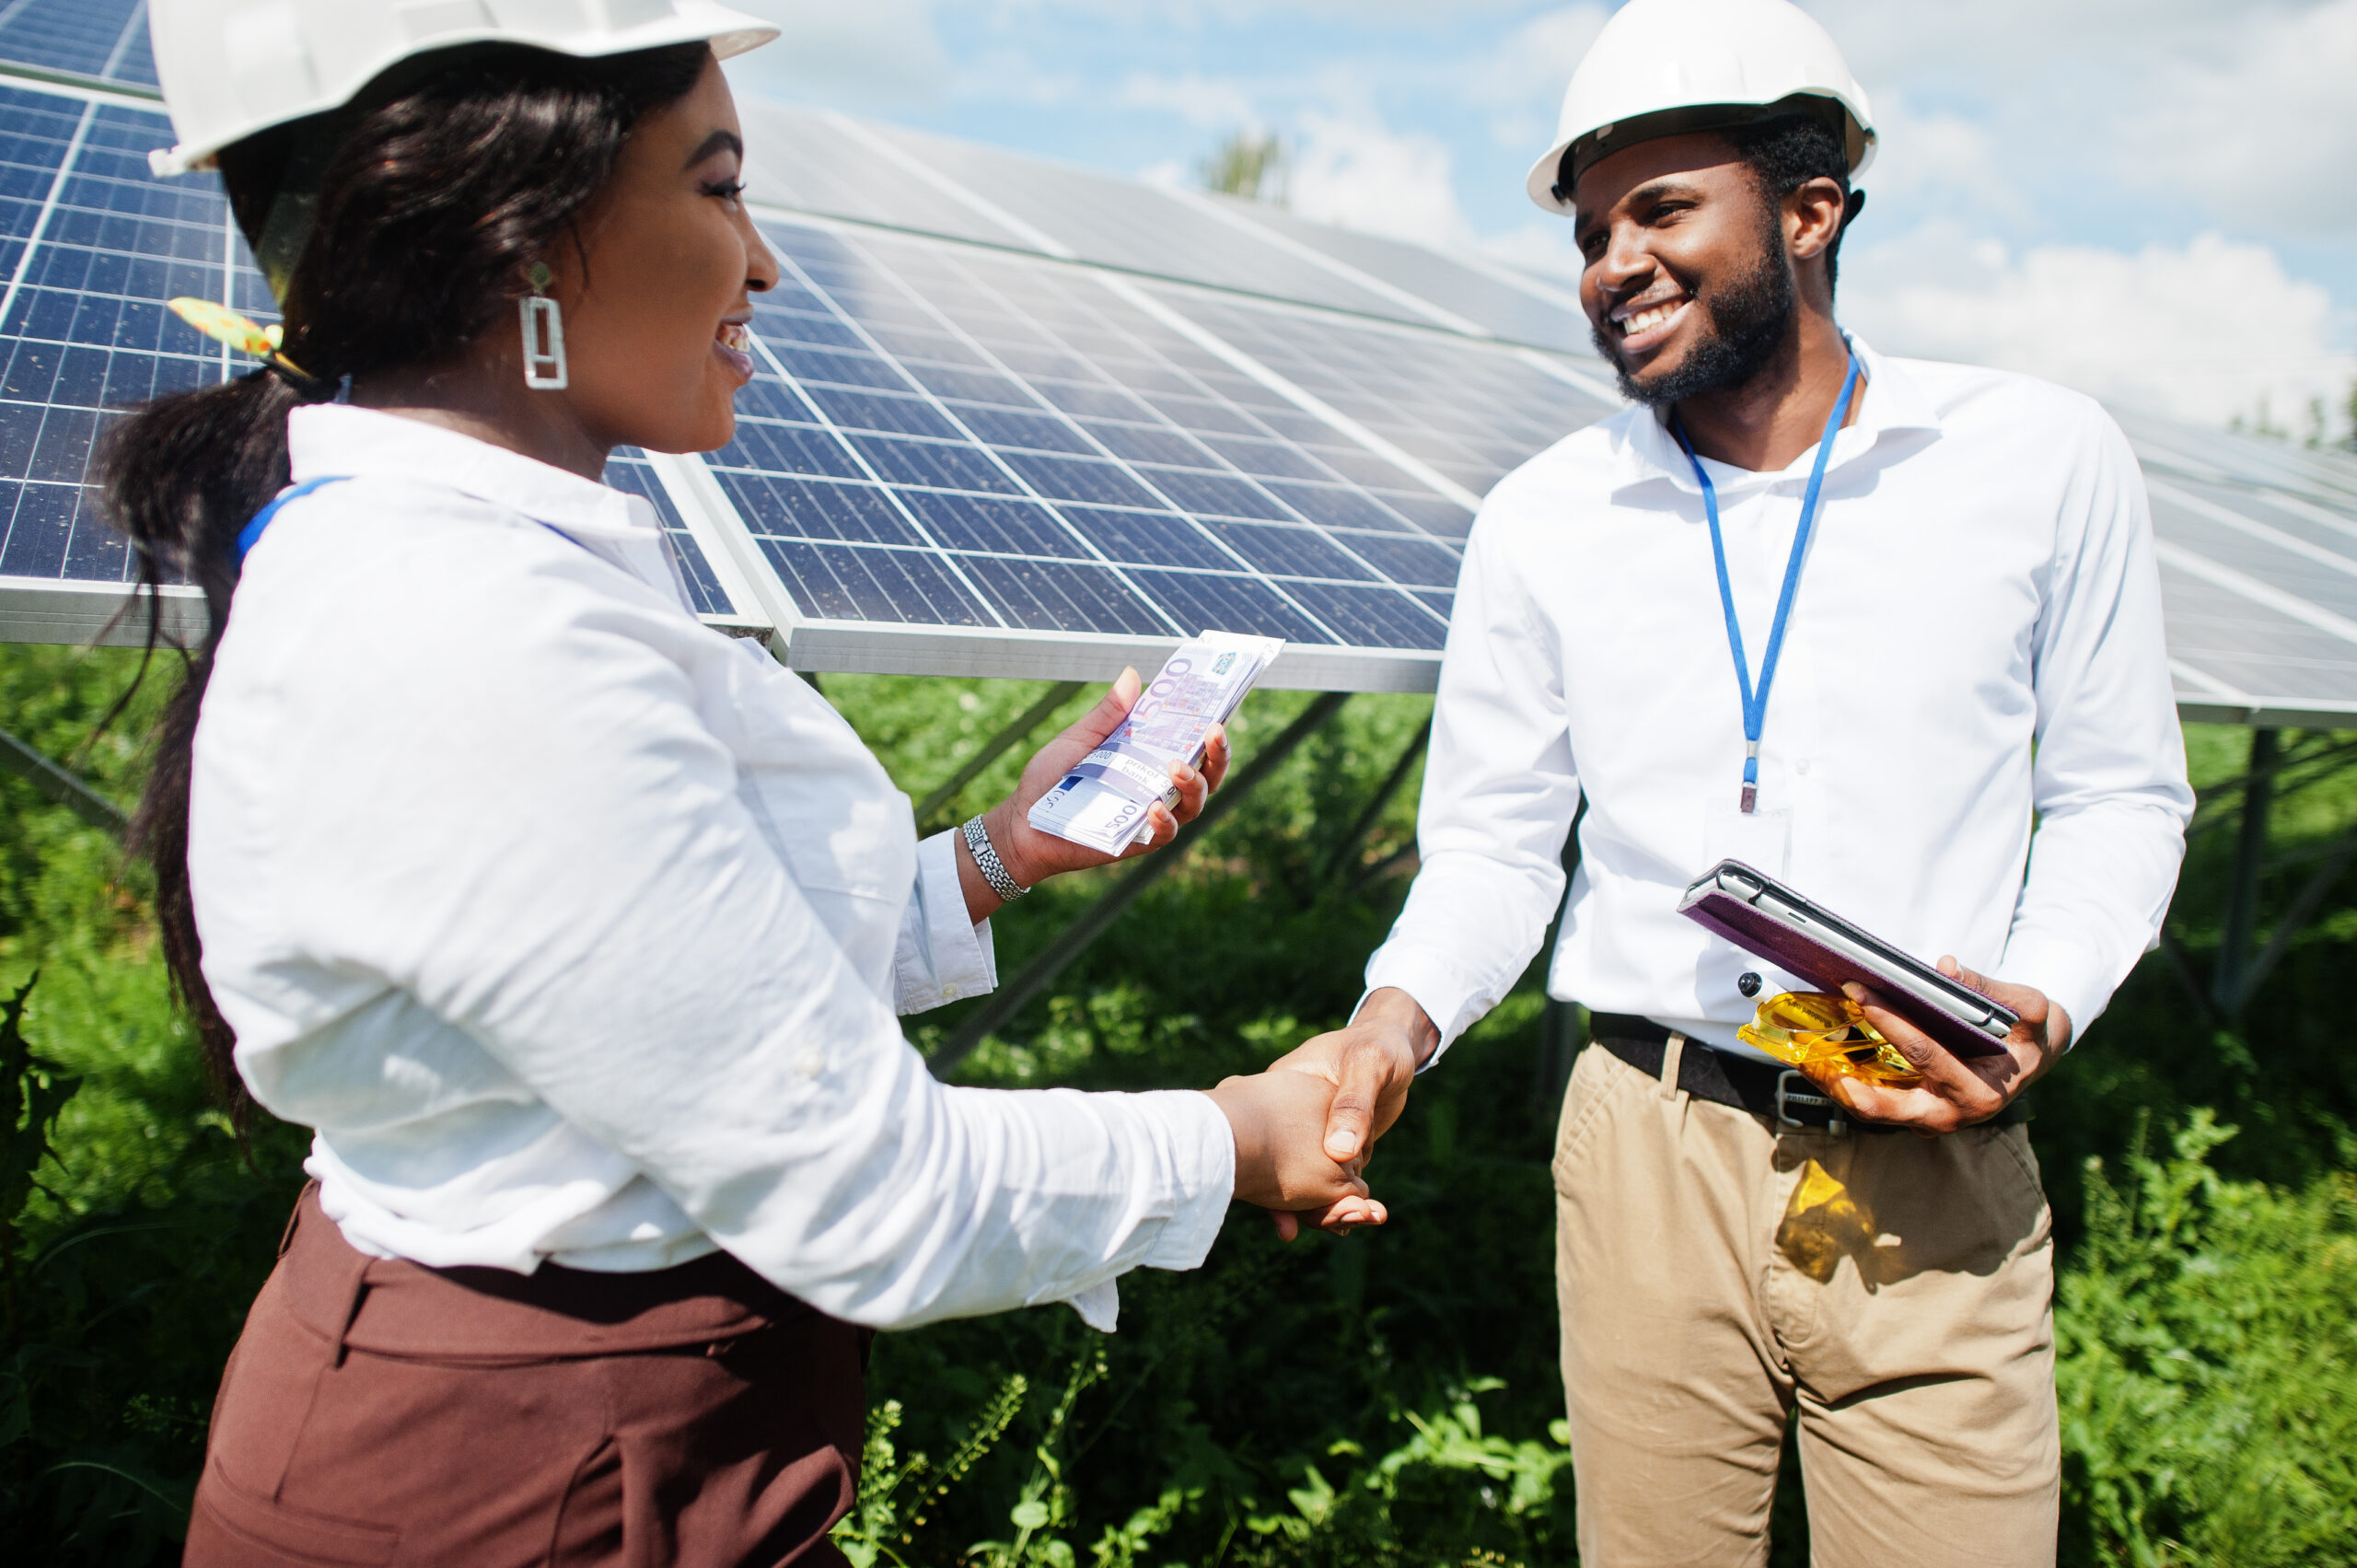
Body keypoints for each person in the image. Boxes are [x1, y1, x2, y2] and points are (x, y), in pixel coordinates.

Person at [117, 5, 1376, 1563]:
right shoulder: (471, 627)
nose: (763, 261)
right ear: (518, 234)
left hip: (589, 1447)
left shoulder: (478, 570)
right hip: (525, 1491)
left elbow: (654, 991)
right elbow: (872, 1191)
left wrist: (995, 855)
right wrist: (1235, 1137)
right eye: (718, 188)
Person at [1271, 0, 2194, 1561]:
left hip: (1931, 1160)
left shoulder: (2038, 458)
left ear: (1813, 209)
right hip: (1649, 1147)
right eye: (1588, 229)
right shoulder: (1544, 519)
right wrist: (1390, 1021)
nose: (1609, 264)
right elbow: (1497, 848)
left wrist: (2038, 999)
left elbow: (2120, 797)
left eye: (1662, 210)